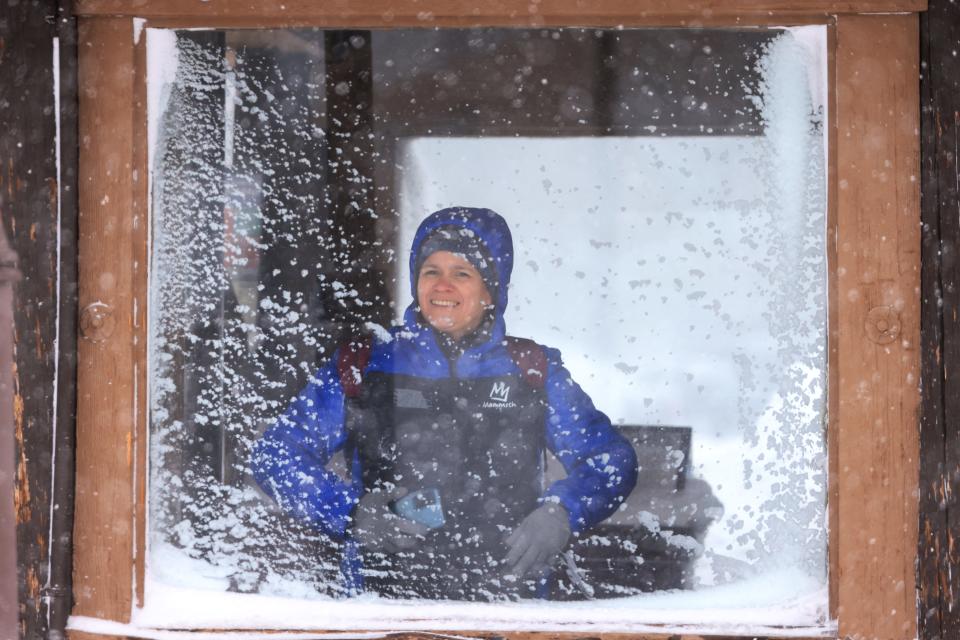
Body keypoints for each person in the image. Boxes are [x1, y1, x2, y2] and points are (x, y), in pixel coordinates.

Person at [251, 207, 638, 600]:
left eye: (462, 273)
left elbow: (610, 458)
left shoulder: (532, 370)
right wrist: (351, 513)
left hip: (508, 608)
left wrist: (563, 513)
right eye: (431, 271)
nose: (442, 286)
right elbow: (276, 455)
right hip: (381, 605)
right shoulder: (365, 364)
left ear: (492, 290)